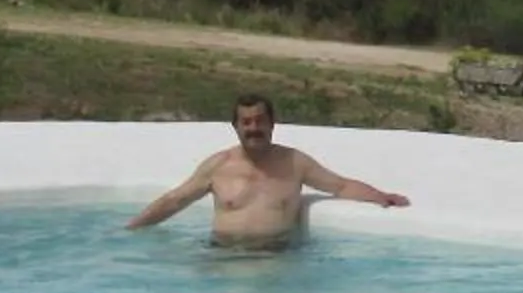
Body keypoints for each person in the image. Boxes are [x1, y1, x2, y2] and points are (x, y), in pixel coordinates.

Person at [123, 93, 410, 245]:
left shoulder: (294, 163)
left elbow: (341, 186)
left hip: (277, 260)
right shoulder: (218, 166)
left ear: (272, 124)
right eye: (246, 122)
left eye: (260, 121)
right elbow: (175, 200)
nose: (254, 128)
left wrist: (381, 196)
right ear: (235, 127)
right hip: (221, 259)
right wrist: (132, 228)